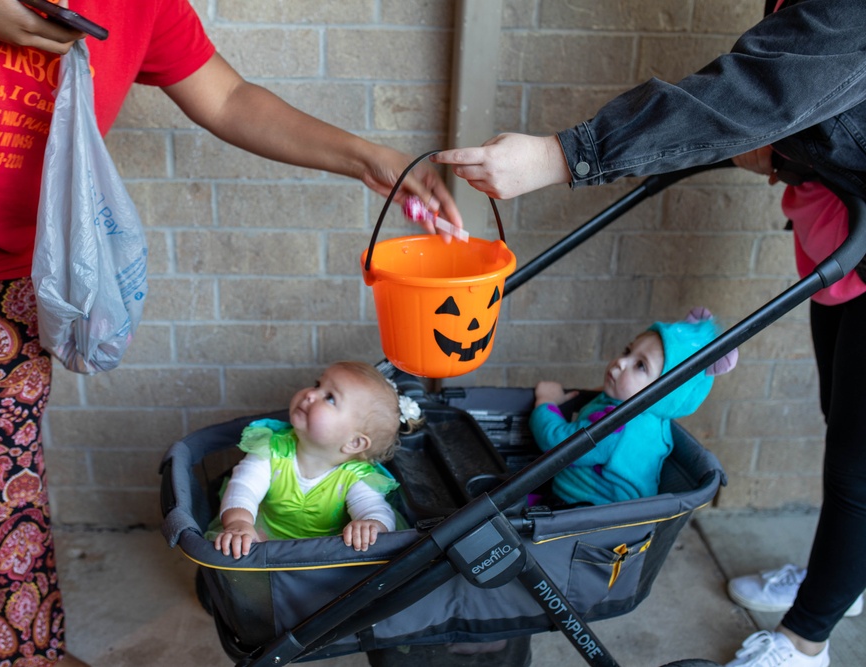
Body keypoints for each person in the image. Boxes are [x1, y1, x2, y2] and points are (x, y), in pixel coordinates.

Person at [0, 2, 461, 665]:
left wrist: (368, 157)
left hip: (4, 267)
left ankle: (19, 655)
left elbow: (229, 97)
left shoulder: (144, 5)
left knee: (8, 474)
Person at [432, 2, 866, 665]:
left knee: (858, 467)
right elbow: (803, 87)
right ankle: (842, 578)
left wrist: (563, 156)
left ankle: (807, 637)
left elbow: (764, 90)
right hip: (844, 235)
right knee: (843, 420)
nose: (619, 364)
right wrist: (786, 149)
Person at [211, 361, 422, 559]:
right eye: (317, 385)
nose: (311, 394)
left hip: (324, 555)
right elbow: (244, 486)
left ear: (354, 443)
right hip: (265, 539)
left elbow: (374, 509)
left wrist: (371, 525)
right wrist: (239, 522)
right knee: (239, 551)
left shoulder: (355, 477)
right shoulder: (272, 449)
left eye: (330, 398)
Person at [531, 308, 736, 507]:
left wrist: (546, 401)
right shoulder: (652, 414)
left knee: (511, 507)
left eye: (640, 365)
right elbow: (608, 399)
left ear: (664, 395)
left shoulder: (615, 426)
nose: (620, 362)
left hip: (584, 517)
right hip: (587, 507)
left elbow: (555, 444)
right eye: (627, 351)